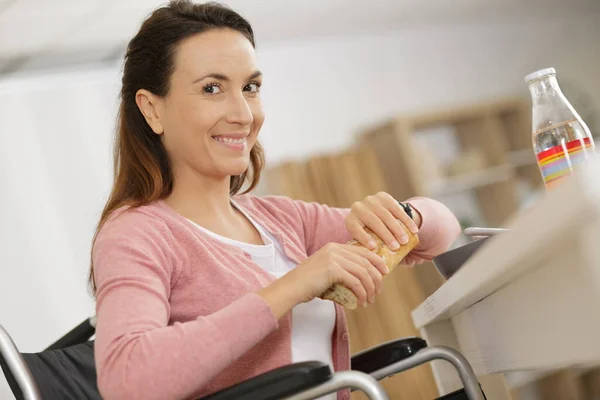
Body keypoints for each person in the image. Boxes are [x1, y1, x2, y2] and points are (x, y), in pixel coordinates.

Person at [90, 1, 461, 399]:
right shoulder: (136, 234)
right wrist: (293, 286)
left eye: (250, 87)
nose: (243, 114)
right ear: (152, 109)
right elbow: (127, 381)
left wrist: (408, 215)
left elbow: (442, 232)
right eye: (212, 89)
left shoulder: (281, 219)